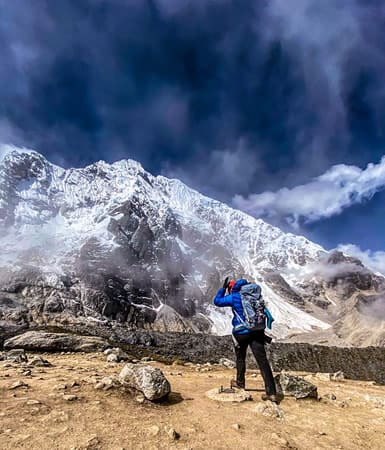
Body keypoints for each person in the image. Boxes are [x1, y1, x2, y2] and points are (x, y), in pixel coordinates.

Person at [213, 277, 278, 403]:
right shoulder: (254, 295)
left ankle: (240, 383)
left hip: (241, 333)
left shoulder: (235, 296)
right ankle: (271, 393)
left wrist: (222, 289)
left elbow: (217, 301)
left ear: (231, 288)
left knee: (240, 358)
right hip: (257, 332)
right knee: (263, 361)